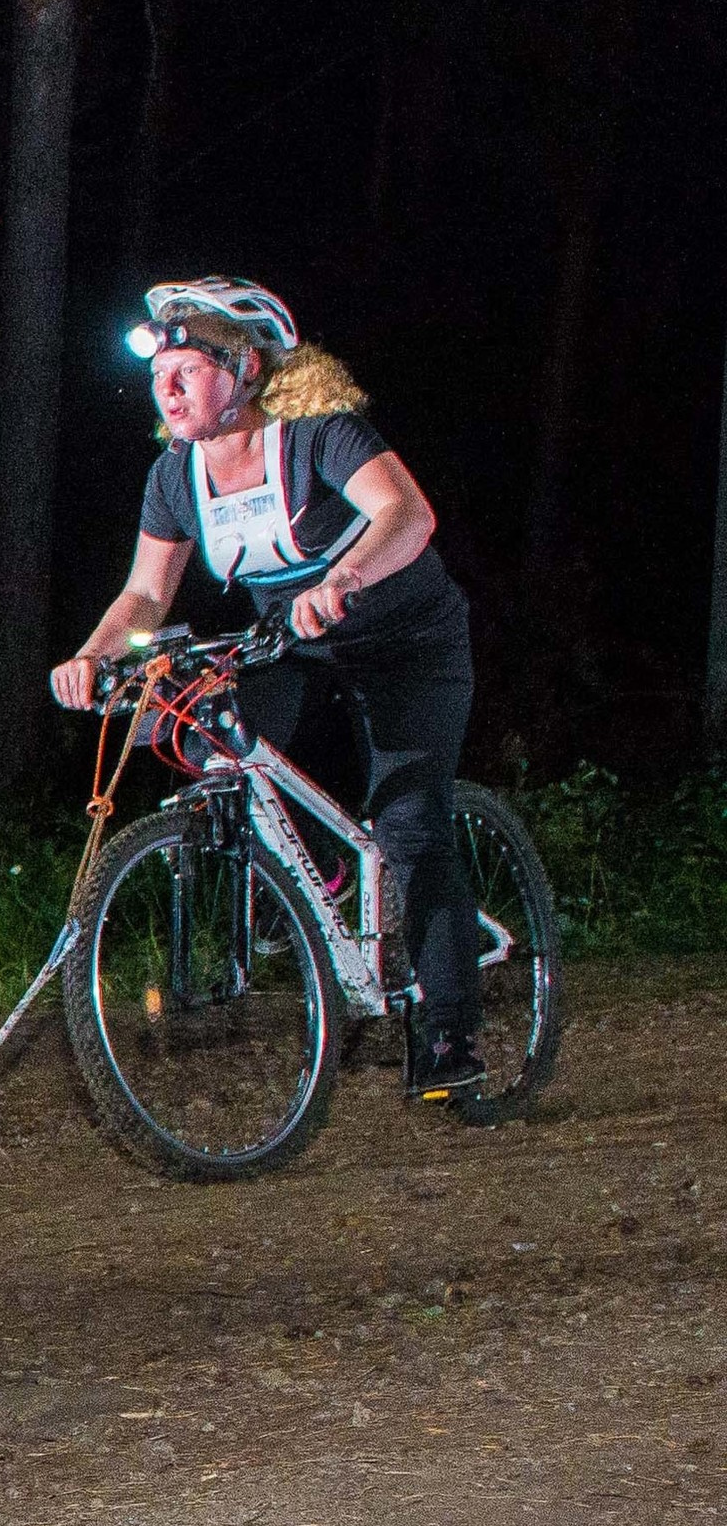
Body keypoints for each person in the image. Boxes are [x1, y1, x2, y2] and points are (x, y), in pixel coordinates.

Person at [47, 276, 484, 1097]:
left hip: (405, 642)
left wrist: (344, 578)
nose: (165, 387)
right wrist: (94, 656)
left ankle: (451, 1031)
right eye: (157, 373)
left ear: (246, 369)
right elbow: (145, 593)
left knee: (412, 822)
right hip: (291, 642)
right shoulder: (177, 477)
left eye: (186, 368)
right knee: (205, 731)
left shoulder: (319, 436)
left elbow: (408, 517)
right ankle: (325, 876)